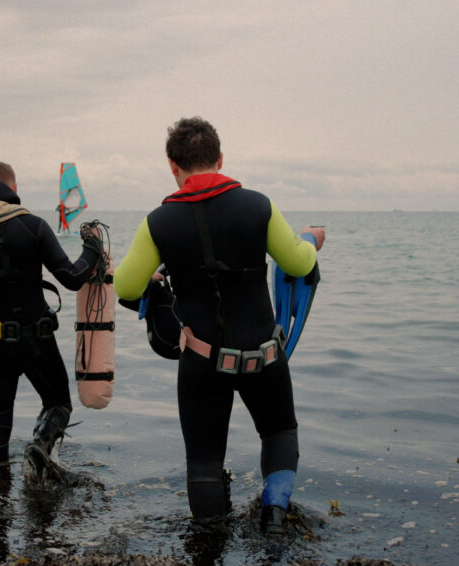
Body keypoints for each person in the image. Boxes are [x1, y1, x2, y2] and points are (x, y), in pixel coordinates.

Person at [113, 117, 324, 535]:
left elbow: (125, 286)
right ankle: (275, 519)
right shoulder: (257, 206)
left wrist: (157, 276)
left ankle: (208, 546)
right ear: (220, 158)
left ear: (172, 165)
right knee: (278, 430)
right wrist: (312, 238)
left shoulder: (159, 222)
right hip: (264, 355)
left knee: (205, 459)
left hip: (201, 362)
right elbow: (299, 262)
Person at [0, 161, 103, 479]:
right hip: (37, 341)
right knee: (58, 405)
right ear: (12, 190)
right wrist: (91, 251)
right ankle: (39, 447)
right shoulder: (34, 226)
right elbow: (71, 277)